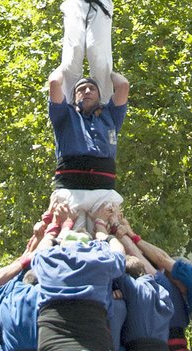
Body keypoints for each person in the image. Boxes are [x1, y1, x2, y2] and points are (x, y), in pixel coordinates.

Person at [45, 69, 129, 240]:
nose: (87, 91)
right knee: (69, 242)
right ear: (74, 96)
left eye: (92, 88)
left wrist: (106, 70)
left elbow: (123, 85)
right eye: (81, 89)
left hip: (103, 191)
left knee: (109, 240)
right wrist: (66, 67)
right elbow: (54, 82)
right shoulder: (64, 115)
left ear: (100, 95)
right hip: (71, 191)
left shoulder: (110, 115)